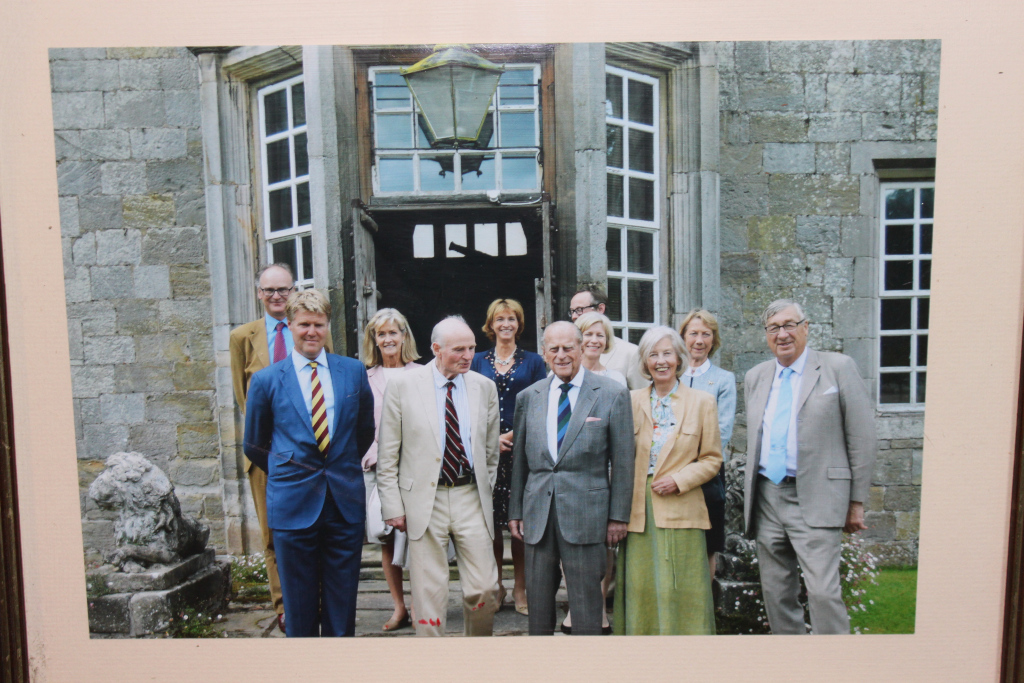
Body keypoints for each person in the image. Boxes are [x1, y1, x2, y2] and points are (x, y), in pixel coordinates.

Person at [243, 289, 373, 637]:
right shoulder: (268, 379)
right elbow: (254, 444)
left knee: (341, 603)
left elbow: (363, 432)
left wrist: (338, 468)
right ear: (289, 326)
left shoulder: (353, 372)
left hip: (343, 503)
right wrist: (290, 472)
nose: (311, 332)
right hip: (292, 503)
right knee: (298, 610)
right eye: (304, 325)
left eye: (318, 324)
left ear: (327, 326)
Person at [743, 299, 876, 634]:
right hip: (767, 497)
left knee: (823, 593)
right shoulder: (756, 376)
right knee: (776, 594)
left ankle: (835, 666)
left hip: (816, 495)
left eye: (790, 325)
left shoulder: (837, 368)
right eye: (774, 327)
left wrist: (856, 502)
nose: (783, 334)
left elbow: (862, 437)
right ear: (766, 335)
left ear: (806, 327)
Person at [376, 316, 501, 637]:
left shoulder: (484, 387)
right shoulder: (403, 387)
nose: (468, 355)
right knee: (429, 595)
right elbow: (388, 454)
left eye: (472, 348)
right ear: (436, 349)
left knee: (484, 588)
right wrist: (393, 506)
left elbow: (490, 452)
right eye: (459, 349)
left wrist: (483, 487)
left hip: (470, 495)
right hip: (422, 500)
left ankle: (476, 658)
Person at [508, 321, 634, 636]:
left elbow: (622, 461)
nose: (562, 355)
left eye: (568, 348)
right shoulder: (528, 397)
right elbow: (520, 461)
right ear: (544, 353)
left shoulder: (612, 393)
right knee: (538, 608)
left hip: (587, 516)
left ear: (581, 348)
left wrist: (618, 516)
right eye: (554, 349)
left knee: (588, 608)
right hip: (538, 517)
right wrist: (516, 512)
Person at [228, 263, 332, 635]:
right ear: (259, 293)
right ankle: (285, 606)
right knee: (274, 534)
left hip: (310, 458)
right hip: (266, 456)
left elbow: (325, 384)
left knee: (317, 528)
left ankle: (317, 599)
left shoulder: (311, 329)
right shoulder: (243, 337)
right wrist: (270, 450)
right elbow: (245, 401)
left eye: (283, 289)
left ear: (293, 291)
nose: (276, 296)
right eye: (269, 290)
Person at [613, 326, 721, 635]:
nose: (661, 361)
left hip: (683, 504)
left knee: (682, 586)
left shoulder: (702, 402)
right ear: (644, 362)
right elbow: (619, 457)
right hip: (638, 509)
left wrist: (679, 479)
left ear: (679, 358)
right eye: (653, 355)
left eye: (667, 354)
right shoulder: (629, 400)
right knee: (641, 586)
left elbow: (712, 458)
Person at [470, 298, 547, 616]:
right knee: (491, 524)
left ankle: (520, 587)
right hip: (486, 453)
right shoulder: (476, 361)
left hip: (520, 452)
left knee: (518, 523)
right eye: (500, 319)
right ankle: (496, 585)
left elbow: (538, 403)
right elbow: (468, 405)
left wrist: (511, 436)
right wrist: (490, 439)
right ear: (490, 324)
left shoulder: (534, 362)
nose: (506, 324)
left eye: (512, 318)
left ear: (519, 324)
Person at [560, 310, 625, 633]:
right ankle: (576, 605)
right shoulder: (561, 376)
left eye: (601, 335)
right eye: (588, 334)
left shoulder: (615, 382)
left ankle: (597, 607)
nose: (595, 340)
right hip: (567, 479)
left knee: (602, 548)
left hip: (603, 478)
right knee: (568, 545)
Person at [360, 308, 420, 632]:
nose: (387, 339)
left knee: (418, 537)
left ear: (404, 336)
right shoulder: (366, 378)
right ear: (375, 340)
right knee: (386, 537)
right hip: (377, 468)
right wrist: (368, 456)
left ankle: (418, 603)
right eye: (381, 334)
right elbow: (360, 424)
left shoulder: (422, 374)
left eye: (393, 332)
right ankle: (399, 607)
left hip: (413, 469)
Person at [678, 309, 736, 581]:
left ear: (714, 340)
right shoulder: (670, 376)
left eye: (706, 334)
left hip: (708, 472)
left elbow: (721, 431)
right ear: (683, 338)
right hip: (672, 470)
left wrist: (696, 466)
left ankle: (705, 607)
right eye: (693, 334)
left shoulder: (723, 380)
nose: (699, 340)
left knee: (709, 540)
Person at [568, 284, 646, 390]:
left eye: (579, 309)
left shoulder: (630, 353)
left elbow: (640, 398)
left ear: (600, 308)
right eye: (572, 311)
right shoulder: (567, 353)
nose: (574, 316)